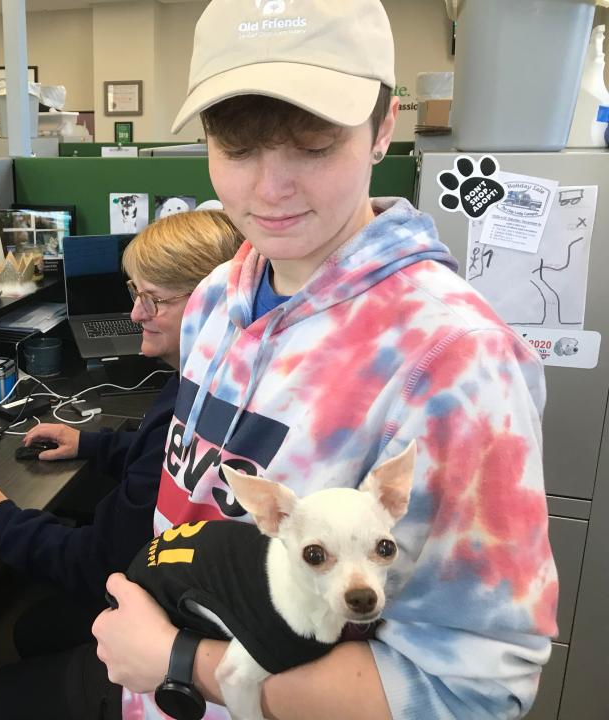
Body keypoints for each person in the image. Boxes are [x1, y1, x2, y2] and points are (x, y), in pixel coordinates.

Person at [91, 2, 558, 719]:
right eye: (237, 149)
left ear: (382, 129)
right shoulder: (220, 293)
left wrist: (182, 663)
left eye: (312, 146)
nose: (268, 189)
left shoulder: (457, 363)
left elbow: (470, 693)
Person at [0, 210, 243, 720]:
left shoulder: (190, 401)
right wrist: (93, 445)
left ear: (213, 303)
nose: (134, 313)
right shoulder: (207, 379)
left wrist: (1, 520)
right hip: (188, 595)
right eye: (134, 292)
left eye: (152, 299)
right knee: (33, 628)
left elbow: (99, 563)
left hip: (170, 629)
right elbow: (160, 461)